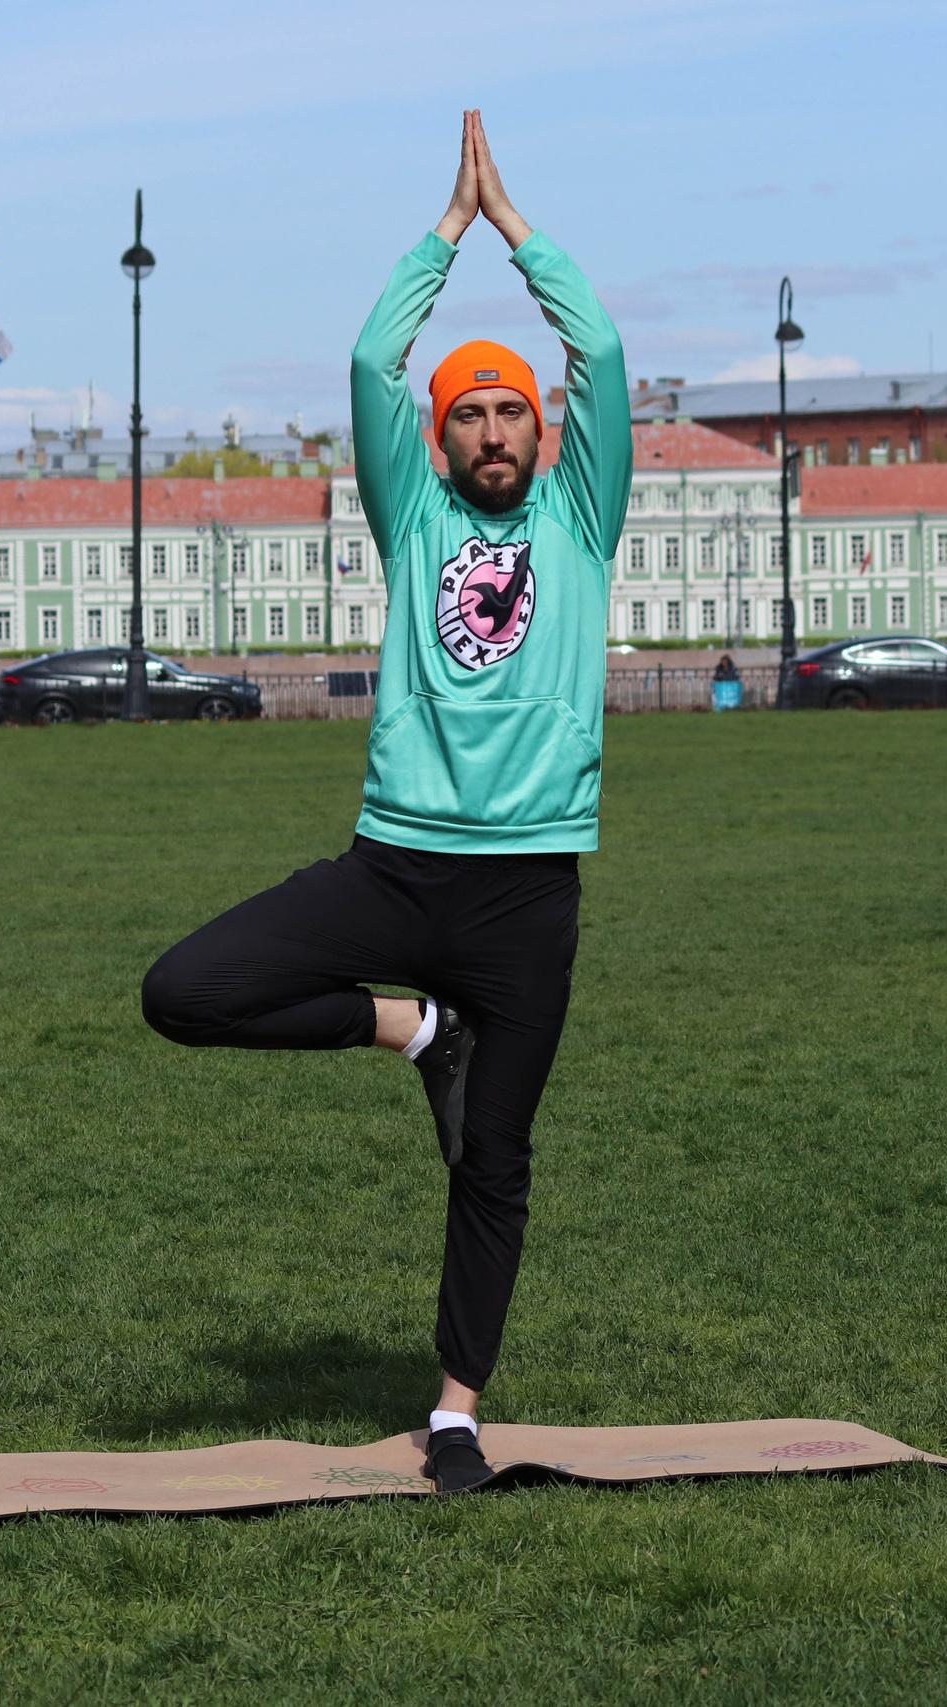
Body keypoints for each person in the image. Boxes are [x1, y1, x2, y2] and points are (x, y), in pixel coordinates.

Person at [140, 111, 630, 1495]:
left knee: (496, 1157)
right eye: (467, 408)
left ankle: (459, 1408)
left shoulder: (580, 519)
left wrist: (521, 230)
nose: (490, 427)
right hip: (396, 866)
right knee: (185, 989)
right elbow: (368, 358)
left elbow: (601, 351)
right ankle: (411, 1025)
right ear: (439, 434)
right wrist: (445, 232)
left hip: (529, 889)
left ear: (544, 433)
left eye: (510, 408)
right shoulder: (412, 515)